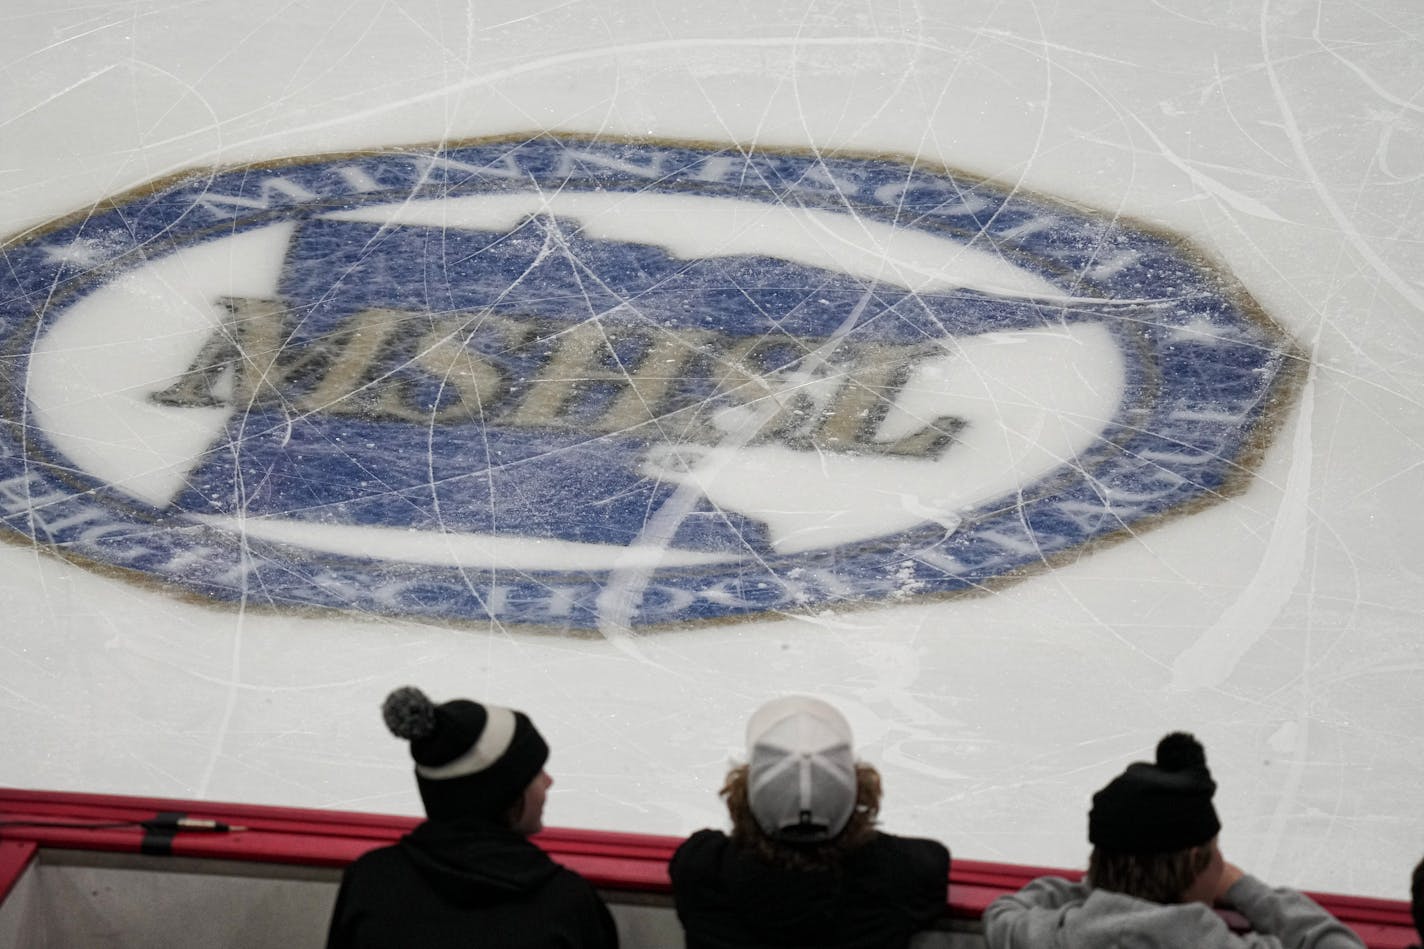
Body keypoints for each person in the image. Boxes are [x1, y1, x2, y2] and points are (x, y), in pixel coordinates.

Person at [983, 731, 1364, 949]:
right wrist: (1245, 889)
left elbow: (1002, 913)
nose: (1222, 864)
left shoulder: (1051, 939)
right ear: (1194, 862)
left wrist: (1098, 886)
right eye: (1215, 852)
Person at [325, 686, 618, 949]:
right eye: (535, 774)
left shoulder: (370, 880)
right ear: (503, 793)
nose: (548, 781)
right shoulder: (566, 903)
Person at [669, 695, 950, 948]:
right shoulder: (896, 876)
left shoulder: (703, 870)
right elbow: (932, 861)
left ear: (745, 793)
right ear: (858, 794)